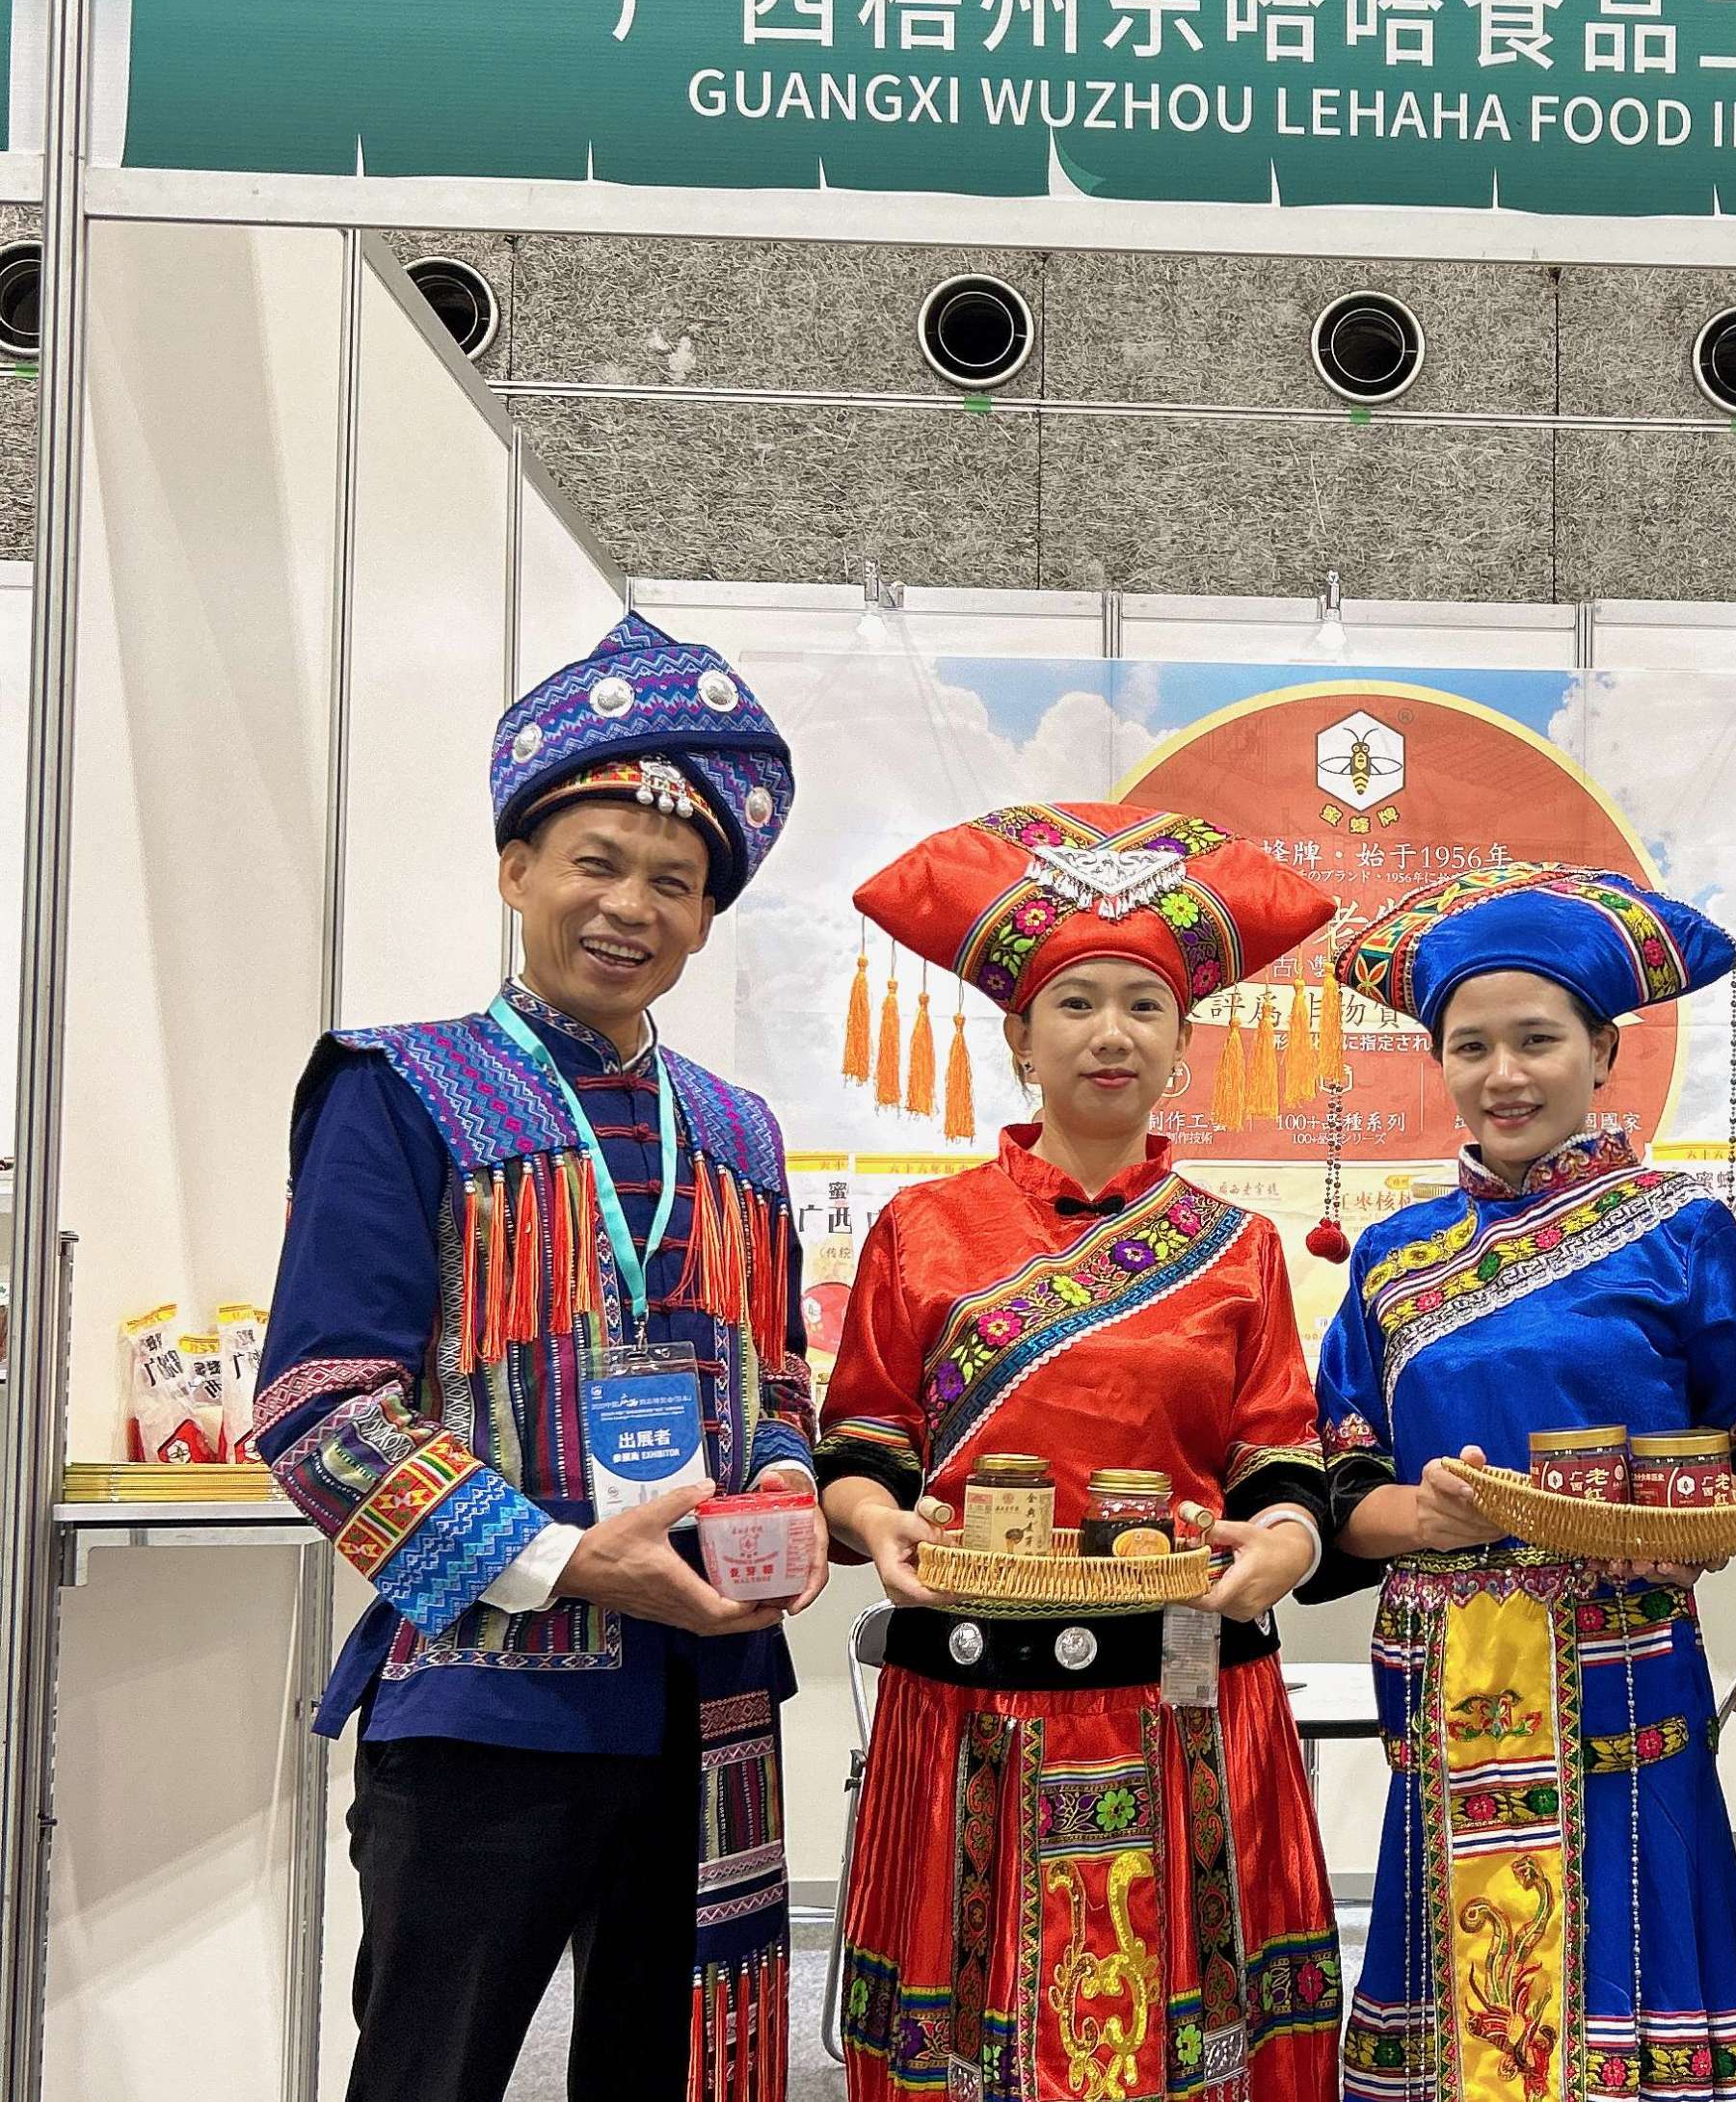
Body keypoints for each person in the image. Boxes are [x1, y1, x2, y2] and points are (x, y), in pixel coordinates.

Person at [257, 612, 821, 2102]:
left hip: (710, 1697)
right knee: (431, 2074)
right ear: (516, 869)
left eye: (674, 881)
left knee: (683, 2076)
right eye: (595, 861)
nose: (629, 905)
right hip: (483, 1698)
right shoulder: (398, 1092)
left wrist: (786, 1493)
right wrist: (567, 1559)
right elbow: (321, 1413)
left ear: (708, 917)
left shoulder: (745, 1133)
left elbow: (781, 1389)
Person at [815, 801, 1346, 2102]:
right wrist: (875, 1522)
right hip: (972, 1686)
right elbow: (866, 1437)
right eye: (1076, 1003)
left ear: (1180, 1044)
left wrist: (1285, 1537)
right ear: (1016, 1034)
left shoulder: (1236, 1246)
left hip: (1182, 1684)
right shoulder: (921, 1229)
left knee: (1190, 2037)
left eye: (1142, 1007)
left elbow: (1279, 1450)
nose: (1110, 1033)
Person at [1307, 863, 1736, 2102]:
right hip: (1447, 1655)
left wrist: (1690, 1537)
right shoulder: (1393, 1252)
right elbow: (1338, 1472)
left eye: (1537, 1040)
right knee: (1468, 1957)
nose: (1504, 1074)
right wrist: (1414, 1514)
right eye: (1470, 1046)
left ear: (1602, 1052)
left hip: (1622, 1647)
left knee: (1633, 1932)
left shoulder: (1684, 1232)